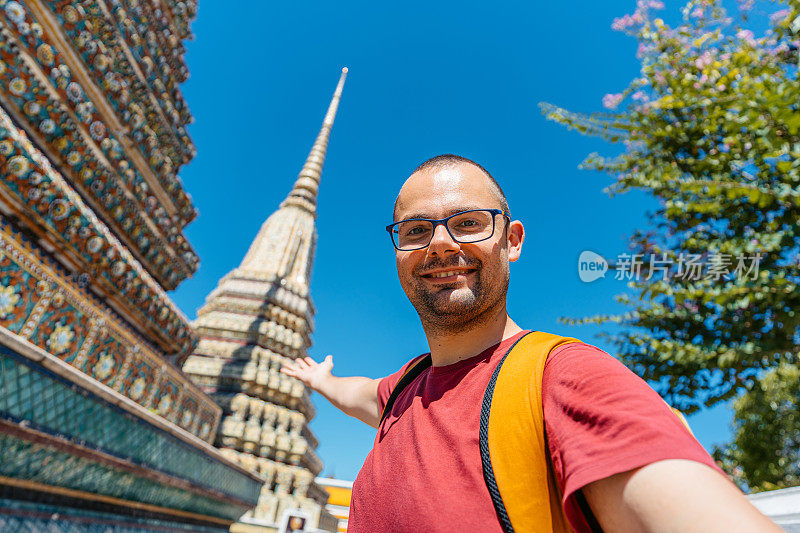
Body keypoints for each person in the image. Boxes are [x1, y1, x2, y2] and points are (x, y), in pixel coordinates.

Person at [281, 154, 778, 532]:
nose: (439, 243)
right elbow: (360, 394)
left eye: (468, 223)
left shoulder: (565, 378)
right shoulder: (406, 389)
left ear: (512, 240)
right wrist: (319, 379)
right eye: (416, 231)